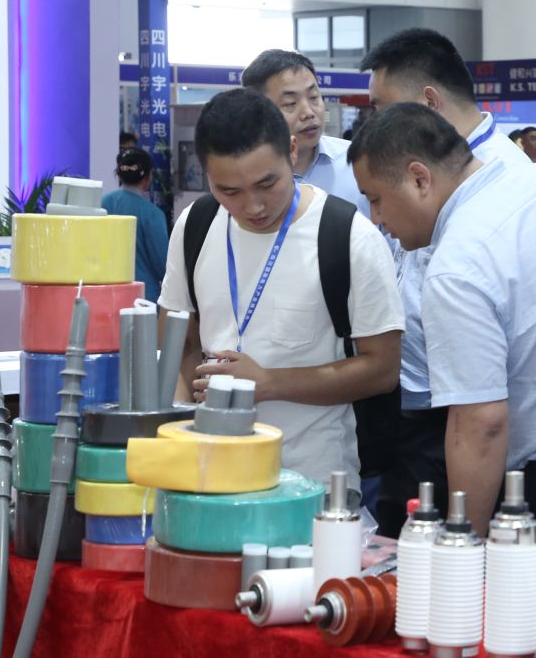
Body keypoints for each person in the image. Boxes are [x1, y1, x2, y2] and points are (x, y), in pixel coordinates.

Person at [348, 103, 536, 539]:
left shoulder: (457, 266)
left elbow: (480, 424)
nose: (377, 220)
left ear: (419, 179)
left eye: (376, 199)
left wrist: (466, 542)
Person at [157, 89, 404, 495]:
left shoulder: (347, 236)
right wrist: (181, 430)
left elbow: (382, 369)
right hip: (210, 476)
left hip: (314, 485)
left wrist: (268, 382)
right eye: (229, 191)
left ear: (291, 151)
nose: (253, 206)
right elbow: (178, 345)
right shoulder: (195, 225)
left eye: (266, 183)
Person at [360, 27, 530, 536]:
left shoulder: (502, 179)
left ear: (429, 103)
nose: (375, 123)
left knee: (444, 557)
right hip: (411, 401)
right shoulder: (418, 168)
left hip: (458, 409)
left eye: (381, 108)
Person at [242, 49, 370, 218]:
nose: (308, 113)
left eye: (314, 97)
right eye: (290, 103)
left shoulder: (358, 161)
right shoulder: (242, 174)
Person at [100, 147, 168, 303]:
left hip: (105, 294)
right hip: (143, 298)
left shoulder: (101, 204)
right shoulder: (153, 214)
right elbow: (163, 265)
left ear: (119, 174)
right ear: (148, 177)